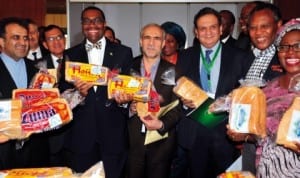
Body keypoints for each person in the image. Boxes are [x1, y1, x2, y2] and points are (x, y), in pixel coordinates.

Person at [175, 7, 251, 178]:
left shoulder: (239, 56)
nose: (208, 32)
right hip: (194, 130)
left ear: (221, 29)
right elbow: (179, 88)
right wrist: (183, 101)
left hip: (224, 133)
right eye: (203, 28)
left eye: (213, 27)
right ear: (196, 32)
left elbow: (246, 95)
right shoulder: (185, 56)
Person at [58, 6, 133, 178]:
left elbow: (129, 86)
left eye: (97, 20)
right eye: (87, 21)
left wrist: (125, 100)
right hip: (82, 135)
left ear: (104, 24)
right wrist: (79, 94)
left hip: (113, 133)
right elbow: (62, 93)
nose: (92, 24)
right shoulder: (70, 54)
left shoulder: (123, 52)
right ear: (82, 25)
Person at [228, 18, 300, 178]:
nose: (290, 52)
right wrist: (244, 135)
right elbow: (261, 136)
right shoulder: (267, 90)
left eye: (298, 46)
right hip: (266, 170)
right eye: (284, 47)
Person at [122, 23, 181, 178]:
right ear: (140, 41)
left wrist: (161, 124)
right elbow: (116, 104)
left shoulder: (174, 71)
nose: (151, 42)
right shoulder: (127, 69)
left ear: (162, 43)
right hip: (132, 144)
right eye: (147, 37)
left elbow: (177, 108)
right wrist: (128, 108)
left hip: (162, 144)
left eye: (156, 38)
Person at [238, 2, 284, 174]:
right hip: (250, 141)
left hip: (279, 145)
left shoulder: (287, 57)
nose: (258, 33)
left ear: (278, 26)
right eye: (253, 28)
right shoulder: (247, 57)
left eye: (264, 26)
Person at [0, 17, 49, 169]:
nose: (23, 43)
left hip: (37, 151)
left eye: (25, 38)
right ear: (1, 42)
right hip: (3, 152)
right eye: (16, 37)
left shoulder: (39, 70)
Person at [41, 24, 68, 166]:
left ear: (64, 39)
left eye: (59, 37)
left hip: (76, 130)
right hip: (51, 132)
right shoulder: (39, 66)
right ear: (45, 44)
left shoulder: (77, 60)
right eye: (51, 39)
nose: (56, 42)